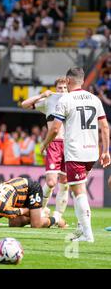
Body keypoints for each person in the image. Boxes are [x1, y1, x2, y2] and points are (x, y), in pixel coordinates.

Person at [41, 67, 111, 242]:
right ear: (83, 80)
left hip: (75, 151)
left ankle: (87, 234)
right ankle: (82, 227)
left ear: (68, 81)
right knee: (78, 189)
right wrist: (106, 151)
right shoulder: (94, 99)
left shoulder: (66, 99)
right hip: (92, 151)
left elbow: (56, 128)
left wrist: (45, 144)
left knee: (78, 191)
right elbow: (105, 126)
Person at [22, 77, 69, 223]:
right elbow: (24, 104)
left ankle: (58, 215)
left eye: (65, 88)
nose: (62, 91)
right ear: (55, 89)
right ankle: (40, 210)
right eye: (60, 88)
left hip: (69, 145)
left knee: (65, 183)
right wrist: (42, 95)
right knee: (50, 182)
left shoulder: (73, 101)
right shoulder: (50, 101)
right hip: (54, 144)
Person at [0, 177, 66, 228]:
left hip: (30, 189)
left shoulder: (4, 210)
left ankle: (56, 218)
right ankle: (39, 214)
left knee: (36, 224)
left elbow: (26, 210)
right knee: (14, 223)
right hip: (16, 187)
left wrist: (37, 214)